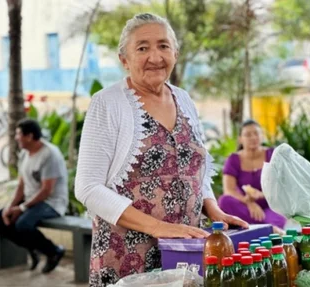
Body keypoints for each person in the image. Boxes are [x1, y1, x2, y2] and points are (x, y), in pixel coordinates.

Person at [75, 13, 249, 286]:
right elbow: (87, 188)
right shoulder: (107, 103)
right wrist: (160, 228)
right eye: (142, 48)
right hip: (128, 258)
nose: (155, 57)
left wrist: (213, 209)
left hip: (185, 253)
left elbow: (194, 169)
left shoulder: (184, 98)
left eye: (163, 46)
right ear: (124, 60)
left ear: (175, 53)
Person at [0, 119, 68, 273]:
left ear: (29, 136)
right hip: (32, 200)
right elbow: (21, 185)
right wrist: (10, 207)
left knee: (22, 224)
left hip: (52, 202)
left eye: (19, 134)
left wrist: (22, 208)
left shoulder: (49, 154)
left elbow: (47, 191)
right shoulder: (24, 153)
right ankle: (33, 248)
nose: (16, 137)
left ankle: (54, 251)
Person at [218, 119, 287, 234]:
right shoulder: (233, 159)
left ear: (262, 136)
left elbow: (282, 187)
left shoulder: (273, 155)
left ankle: (253, 228)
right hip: (245, 206)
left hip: (271, 205)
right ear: (240, 139)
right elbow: (229, 190)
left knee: (280, 210)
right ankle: (268, 229)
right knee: (224, 201)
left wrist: (261, 195)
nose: (253, 137)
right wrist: (248, 202)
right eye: (248, 135)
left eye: (256, 133)